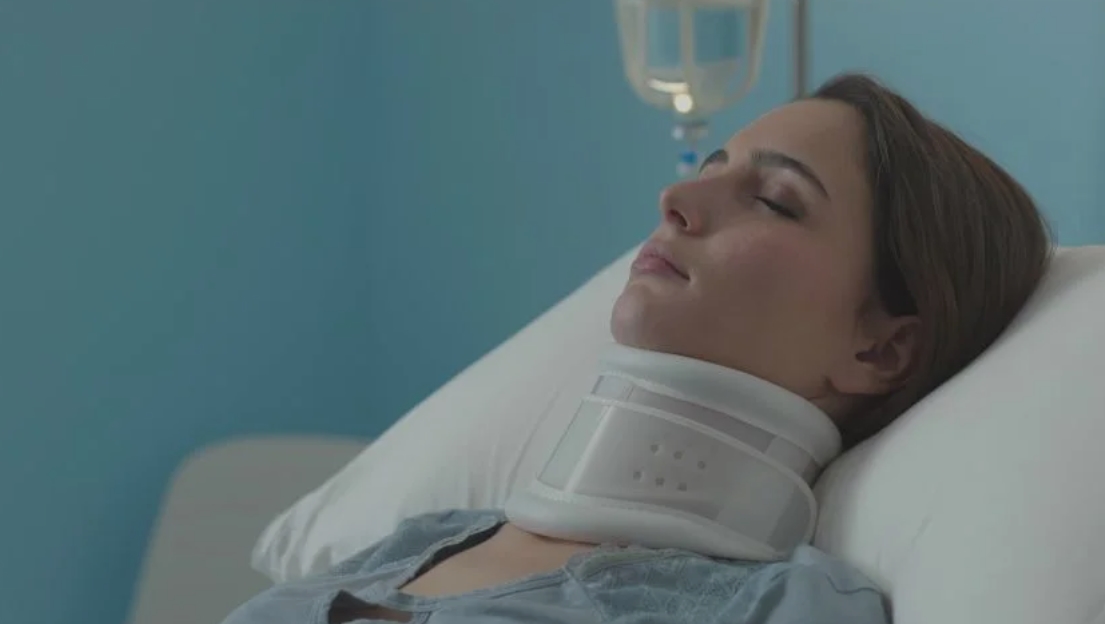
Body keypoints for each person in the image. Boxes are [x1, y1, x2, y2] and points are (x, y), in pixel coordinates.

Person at [221, 73, 1052, 624]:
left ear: (881, 351)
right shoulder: (422, 538)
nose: (676, 197)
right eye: (709, 168)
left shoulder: (773, 608)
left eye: (772, 199)